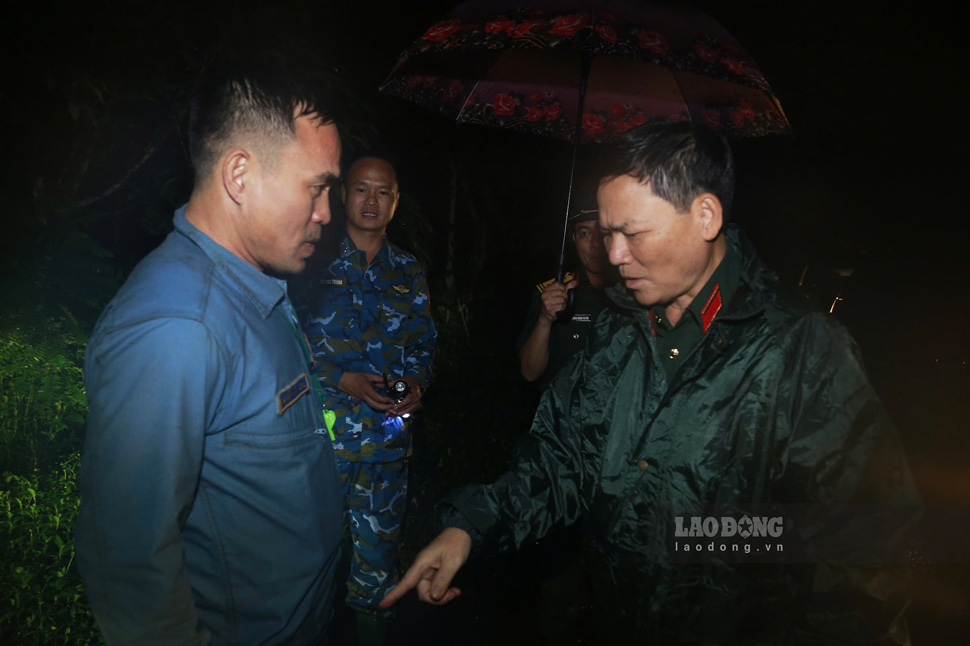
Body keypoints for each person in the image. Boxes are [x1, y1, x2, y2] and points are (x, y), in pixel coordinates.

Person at [380, 121, 918, 643]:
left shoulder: (803, 352)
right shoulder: (617, 331)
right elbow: (561, 459)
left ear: (705, 216)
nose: (614, 255)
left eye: (632, 233)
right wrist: (469, 528)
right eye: (608, 233)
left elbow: (866, 548)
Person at [75, 62, 344, 645]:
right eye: (315, 187)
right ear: (239, 175)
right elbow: (130, 565)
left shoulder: (250, 283)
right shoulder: (178, 327)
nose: (326, 212)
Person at [299, 155, 436, 636]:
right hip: (322, 443)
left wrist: (416, 384)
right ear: (343, 195)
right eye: (361, 189)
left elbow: (424, 346)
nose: (371, 201)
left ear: (396, 201)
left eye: (383, 192)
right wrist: (342, 379)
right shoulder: (309, 260)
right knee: (304, 561)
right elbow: (285, 344)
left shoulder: (408, 270)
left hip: (386, 446)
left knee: (378, 574)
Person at [517, 208, 618, 390]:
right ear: (573, 238)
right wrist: (545, 319)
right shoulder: (552, 293)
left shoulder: (637, 292)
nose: (595, 243)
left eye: (602, 232)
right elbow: (529, 372)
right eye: (585, 233)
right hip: (566, 406)